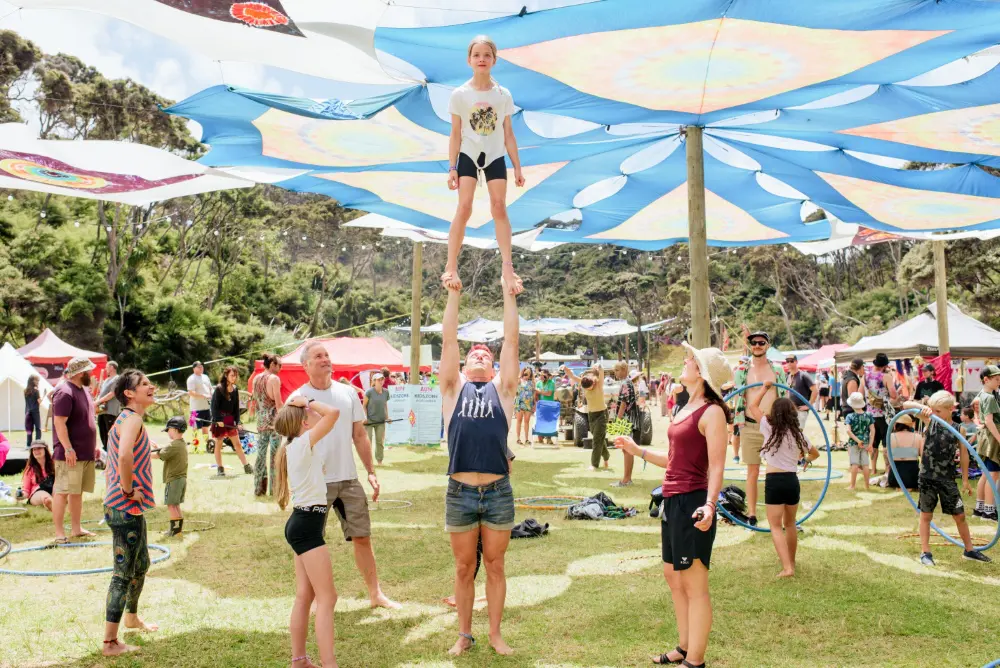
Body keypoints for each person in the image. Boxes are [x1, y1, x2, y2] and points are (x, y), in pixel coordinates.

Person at [615, 342, 731, 668]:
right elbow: (673, 460)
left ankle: (695, 661)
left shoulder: (712, 412)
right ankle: (684, 646)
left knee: (695, 585)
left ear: (702, 372)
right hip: (671, 500)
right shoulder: (685, 407)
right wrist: (637, 450)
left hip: (693, 502)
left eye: (691, 359)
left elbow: (717, 467)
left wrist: (710, 505)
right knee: (674, 577)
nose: (686, 361)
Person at [439, 276, 519, 657]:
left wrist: (509, 295)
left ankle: (495, 634)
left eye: (487, 354)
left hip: (498, 491)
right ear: (464, 363)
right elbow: (449, 340)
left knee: (495, 564)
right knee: (463, 566)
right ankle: (464, 635)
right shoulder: (453, 388)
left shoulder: (503, 390)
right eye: (475, 354)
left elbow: (512, 340)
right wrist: (453, 295)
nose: (481, 356)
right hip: (460, 492)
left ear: (494, 365)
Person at [289, 341, 399, 611]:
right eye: (318, 356)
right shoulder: (298, 398)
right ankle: (311, 598)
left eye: (327, 355)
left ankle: (375, 594)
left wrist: (371, 472)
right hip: (315, 483)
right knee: (309, 541)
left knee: (362, 536)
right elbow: (291, 442)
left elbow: (359, 435)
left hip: (348, 479)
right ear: (305, 365)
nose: (325, 359)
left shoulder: (348, 393)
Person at [442, 35, 525, 297]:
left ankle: (507, 268)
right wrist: (452, 167)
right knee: (464, 207)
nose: (482, 59)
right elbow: (455, 133)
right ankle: (451, 266)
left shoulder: (503, 95)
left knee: (499, 207)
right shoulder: (460, 94)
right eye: (476, 55)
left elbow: (508, 133)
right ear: (469, 60)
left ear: (494, 60)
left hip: (495, 154)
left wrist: (517, 166)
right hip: (468, 153)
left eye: (487, 55)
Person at [272, 395, 343, 668]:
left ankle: (299, 660)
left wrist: (303, 406)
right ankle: (329, 665)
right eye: (309, 414)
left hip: (302, 523)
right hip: (306, 526)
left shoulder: (296, 445)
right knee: (327, 598)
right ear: (304, 422)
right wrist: (308, 401)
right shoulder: (301, 443)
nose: (314, 414)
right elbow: (333, 413)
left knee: (306, 594)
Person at [101, 369, 160, 656]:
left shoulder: (125, 419)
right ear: (129, 393)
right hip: (124, 505)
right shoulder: (133, 418)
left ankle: (132, 617)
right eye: (144, 384)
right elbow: (124, 456)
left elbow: (123, 456)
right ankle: (110, 643)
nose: (151, 387)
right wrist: (127, 491)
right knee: (122, 573)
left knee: (142, 563)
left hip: (126, 507)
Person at [902, 392, 991, 565]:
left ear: (950, 409)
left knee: (960, 515)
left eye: (938, 411)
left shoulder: (959, 429)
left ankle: (969, 550)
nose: (934, 413)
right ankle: (925, 553)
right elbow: (906, 405)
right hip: (927, 477)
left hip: (948, 479)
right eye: (933, 410)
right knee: (926, 515)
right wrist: (923, 407)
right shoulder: (929, 420)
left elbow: (964, 455)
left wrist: (965, 480)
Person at [747, 386, 819, 577]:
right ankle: (791, 563)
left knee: (776, 526)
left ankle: (787, 568)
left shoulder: (768, 426)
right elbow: (815, 453)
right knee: (790, 524)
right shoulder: (798, 434)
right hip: (791, 481)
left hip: (774, 481)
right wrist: (805, 460)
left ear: (774, 413)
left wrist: (765, 387)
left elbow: (752, 406)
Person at [732, 327, 787, 527]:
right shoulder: (741, 371)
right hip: (750, 425)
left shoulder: (777, 370)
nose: (757, 346)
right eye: (754, 343)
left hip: (773, 426)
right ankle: (752, 514)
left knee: (778, 472)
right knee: (752, 471)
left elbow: (784, 397)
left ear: (768, 345)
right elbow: (738, 397)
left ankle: (781, 516)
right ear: (750, 346)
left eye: (761, 343)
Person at [51, 356, 99, 544]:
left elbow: (88, 418)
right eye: (89, 371)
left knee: (77, 491)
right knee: (62, 491)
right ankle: (59, 533)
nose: (92, 373)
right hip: (70, 454)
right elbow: (59, 423)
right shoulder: (64, 392)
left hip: (84, 451)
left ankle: (76, 529)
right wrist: (68, 449)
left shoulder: (84, 390)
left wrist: (94, 445)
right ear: (81, 373)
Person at [563, 363, 609, 470]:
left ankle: (594, 464)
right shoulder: (584, 382)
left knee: (596, 440)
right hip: (591, 415)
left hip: (602, 414)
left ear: (593, 383)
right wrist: (565, 369)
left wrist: (599, 366)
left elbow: (601, 372)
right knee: (598, 438)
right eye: (586, 389)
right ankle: (606, 456)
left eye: (589, 387)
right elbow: (573, 376)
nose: (587, 389)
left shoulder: (599, 384)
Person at [210, 365, 252, 477]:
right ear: (226, 375)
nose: (234, 377)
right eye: (232, 375)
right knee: (219, 444)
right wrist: (218, 419)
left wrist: (238, 422)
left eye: (235, 375)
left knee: (237, 444)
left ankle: (246, 466)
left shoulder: (235, 389)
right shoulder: (219, 389)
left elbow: (236, 408)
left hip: (229, 419)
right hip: (219, 420)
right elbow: (214, 407)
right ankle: (220, 468)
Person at [152, 416, 189, 538]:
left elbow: (159, 455)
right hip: (181, 479)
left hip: (174, 479)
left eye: (168, 430)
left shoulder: (173, 445)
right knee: (176, 505)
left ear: (174, 429)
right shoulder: (181, 443)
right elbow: (166, 451)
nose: (168, 432)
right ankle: (177, 530)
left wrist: (143, 453)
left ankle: (174, 532)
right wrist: (157, 447)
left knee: (171, 505)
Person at [252, 353, 284, 496]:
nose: (280, 368)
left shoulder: (256, 379)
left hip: (261, 420)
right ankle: (274, 489)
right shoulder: (274, 379)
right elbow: (278, 403)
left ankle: (259, 488)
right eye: (279, 365)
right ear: (272, 364)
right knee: (275, 456)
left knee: (260, 455)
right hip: (273, 422)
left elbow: (256, 402)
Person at [973, 365, 1000, 522]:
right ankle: (989, 511)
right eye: (996, 379)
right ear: (986, 379)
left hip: (986, 436)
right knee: (993, 473)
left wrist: (979, 422)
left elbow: (979, 414)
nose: (999, 382)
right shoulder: (989, 397)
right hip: (992, 437)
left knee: (986, 473)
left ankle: (980, 508)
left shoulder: (982, 394)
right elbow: (989, 421)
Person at [865, 353, 899, 476]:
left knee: (873, 443)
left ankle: (873, 469)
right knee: (886, 443)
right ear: (884, 365)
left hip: (869, 414)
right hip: (883, 414)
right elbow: (894, 395)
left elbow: (859, 392)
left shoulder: (865, 376)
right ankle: (887, 469)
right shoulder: (886, 377)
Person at [612, 365, 642, 488]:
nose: (615, 373)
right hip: (629, 419)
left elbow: (623, 404)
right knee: (627, 449)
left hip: (626, 420)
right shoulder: (628, 382)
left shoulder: (625, 383)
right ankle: (627, 478)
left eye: (617, 370)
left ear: (624, 370)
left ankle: (626, 479)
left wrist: (617, 421)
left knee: (627, 449)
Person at [844, 393, 874, 491]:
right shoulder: (868, 415)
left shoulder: (850, 416)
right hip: (866, 443)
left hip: (854, 443)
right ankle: (867, 486)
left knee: (854, 464)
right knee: (865, 464)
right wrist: (870, 444)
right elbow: (872, 430)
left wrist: (857, 441)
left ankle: (852, 486)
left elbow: (848, 431)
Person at [887, 414, 921, 490]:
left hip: (895, 478)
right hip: (913, 478)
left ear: (896, 424)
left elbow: (888, 456)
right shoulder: (918, 437)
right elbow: (922, 456)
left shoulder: (890, 436)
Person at [363, 373, 390, 465]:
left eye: (382, 379)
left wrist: (387, 418)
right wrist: (365, 417)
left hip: (381, 421)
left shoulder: (386, 392)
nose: (381, 381)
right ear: (374, 381)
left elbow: (385, 405)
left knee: (380, 441)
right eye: (379, 380)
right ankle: (368, 462)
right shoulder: (369, 392)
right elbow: (364, 406)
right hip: (369, 421)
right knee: (368, 442)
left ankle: (379, 461)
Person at [186, 362, 214, 451]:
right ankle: (195, 446)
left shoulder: (205, 377)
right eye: (199, 367)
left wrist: (212, 393)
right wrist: (203, 396)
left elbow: (210, 388)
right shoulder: (191, 379)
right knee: (195, 428)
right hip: (195, 408)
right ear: (194, 368)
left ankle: (207, 445)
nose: (201, 368)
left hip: (206, 407)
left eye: (202, 366)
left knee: (206, 427)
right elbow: (191, 392)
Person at [785, 355, 817, 431]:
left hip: (801, 410)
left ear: (796, 362)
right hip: (791, 410)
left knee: (798, 432)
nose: (789, 363)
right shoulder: (789, 376)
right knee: (790, 432)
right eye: (787, 361)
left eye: (791, 361)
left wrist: (809, 405)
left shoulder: (803, 375)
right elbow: (787, 392)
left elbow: (815, 390)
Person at [94, 361, 121, 450]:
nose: (105, 369)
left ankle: (112, 451)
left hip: (111, 411)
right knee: (102, 431)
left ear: (112, 367)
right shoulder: (106, 380)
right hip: (102, 410)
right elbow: (101, 392)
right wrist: (96, 401)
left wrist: (98, 402)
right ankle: (105, 450)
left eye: (107, 367)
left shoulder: (117, 379)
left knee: (110, 432)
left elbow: (112, 394)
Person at [22, 440, 55, 511]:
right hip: (37, 493)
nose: (36, 451)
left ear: (45, 450)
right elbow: (26, 490)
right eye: (34, 449)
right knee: (44, 496)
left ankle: (54, 503)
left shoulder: (55, 464)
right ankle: (51, 504)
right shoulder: (30, 469)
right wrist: (20, 495)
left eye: (39, 448)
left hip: (54, 490)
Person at [514, 367, 536, 446]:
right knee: (519, 420)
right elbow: (514, 390)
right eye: (526, 372)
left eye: (529, 373)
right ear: (523, 372)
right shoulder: (518, 380)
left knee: (527, 421)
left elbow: (533, 393)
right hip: (519, 403)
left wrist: (534, 404)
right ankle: (518, 438)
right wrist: (520, 376)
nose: (527, 374)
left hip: (528, 403)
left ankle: (526, 439)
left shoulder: (532, 382)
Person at [534, 369, 556, 445]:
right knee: (540, 422)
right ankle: (540, 438)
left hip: (549, 405)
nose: (541, 376)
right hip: (540, 405)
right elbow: (536, 394)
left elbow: (549, 393)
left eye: (543, 375)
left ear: (547, 376)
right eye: (540, 375)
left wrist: (539, 391)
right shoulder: (538, 383)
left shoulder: (551, 383)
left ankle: (549, 439)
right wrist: (536, 401)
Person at [23, 374, 45, 448]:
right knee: (38, 428)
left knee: (29, 429)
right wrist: (44, 395)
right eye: (37, 380)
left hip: (27, 411)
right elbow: (39, 401)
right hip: (35, 411)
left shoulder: (25, 391)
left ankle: (28, 445)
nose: (38, 382)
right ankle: (37, 444)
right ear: (33, 381)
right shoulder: (36, 391)